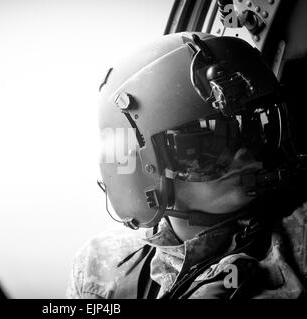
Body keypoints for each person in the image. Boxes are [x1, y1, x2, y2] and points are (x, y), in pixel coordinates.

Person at [67, 32, 307, 299]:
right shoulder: (101, 269)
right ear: (141, 168)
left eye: (252, 127)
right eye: (205, 144)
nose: (243, 151)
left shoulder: (298, 237)